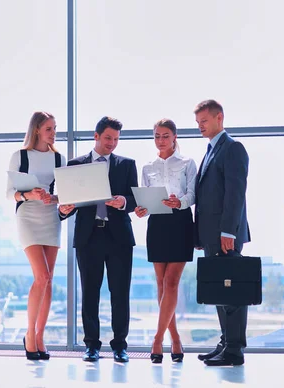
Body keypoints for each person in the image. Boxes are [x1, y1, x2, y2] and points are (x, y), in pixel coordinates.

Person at [59, 116, 138, 363]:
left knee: (120, 293)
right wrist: (63, 210)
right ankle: (91, 346)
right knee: (89, 293)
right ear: (96, 136)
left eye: (116, 139)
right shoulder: (75, 164)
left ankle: (120, 346)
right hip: (88, 236)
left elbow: (134, 200)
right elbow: (67, 203)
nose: (112, 143)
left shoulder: (127, 165)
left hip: (119, 238)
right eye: (108, 138)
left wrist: (123, 202)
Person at [193, 99, 251, 366]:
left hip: (225, 235)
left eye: (204, 121)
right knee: (219, 291)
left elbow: (235, 194)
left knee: (232, 294)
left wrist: (228, 231)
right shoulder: (211, 150)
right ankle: (226, 343)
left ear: (219, 118)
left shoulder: (232, 148)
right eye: (198, 122)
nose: (200, 126)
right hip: (212, 235)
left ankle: (234, 350)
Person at [134, 118, 196, 363]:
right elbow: (146, 198)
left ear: (175, 137)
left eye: (165, 135)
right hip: (157, 224)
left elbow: (192, 194)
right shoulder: (147, 167)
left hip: (180, 222)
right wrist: (142, 210)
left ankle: (157, 339)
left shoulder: (188, 163)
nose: (161, 140)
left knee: (171, 282)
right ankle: (176, 338)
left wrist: (179, 202)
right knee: (160, 284)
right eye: (157, 136)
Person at [6, 111, 66, 360]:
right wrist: (30, 194)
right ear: (37, 130)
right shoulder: (19, 156)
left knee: (49, 279)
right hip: (28, 216)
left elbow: (64, 193)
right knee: (41, 276)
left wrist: (52, 198)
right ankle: (29, 334)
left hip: (50, 216)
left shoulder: (59, 158)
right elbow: (10, 193)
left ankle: (40, 336)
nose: (53, 133)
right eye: (49, 129)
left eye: (55, 128)